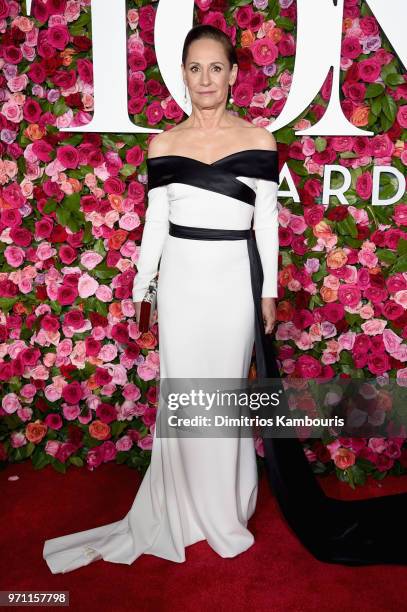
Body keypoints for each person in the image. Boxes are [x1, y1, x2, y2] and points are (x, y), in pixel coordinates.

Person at [42, 24, 281, 574]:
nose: (205, 79)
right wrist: (141, 288)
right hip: (179, 285)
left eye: (216, 68)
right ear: (183, 76)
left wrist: (268, 291)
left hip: (230, 286)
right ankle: (180, 505)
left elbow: (265, 224)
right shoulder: (163, 144)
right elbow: (154, 226)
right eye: (195, 68)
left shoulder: (260, 141)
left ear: (234, 75)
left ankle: (224, 507)